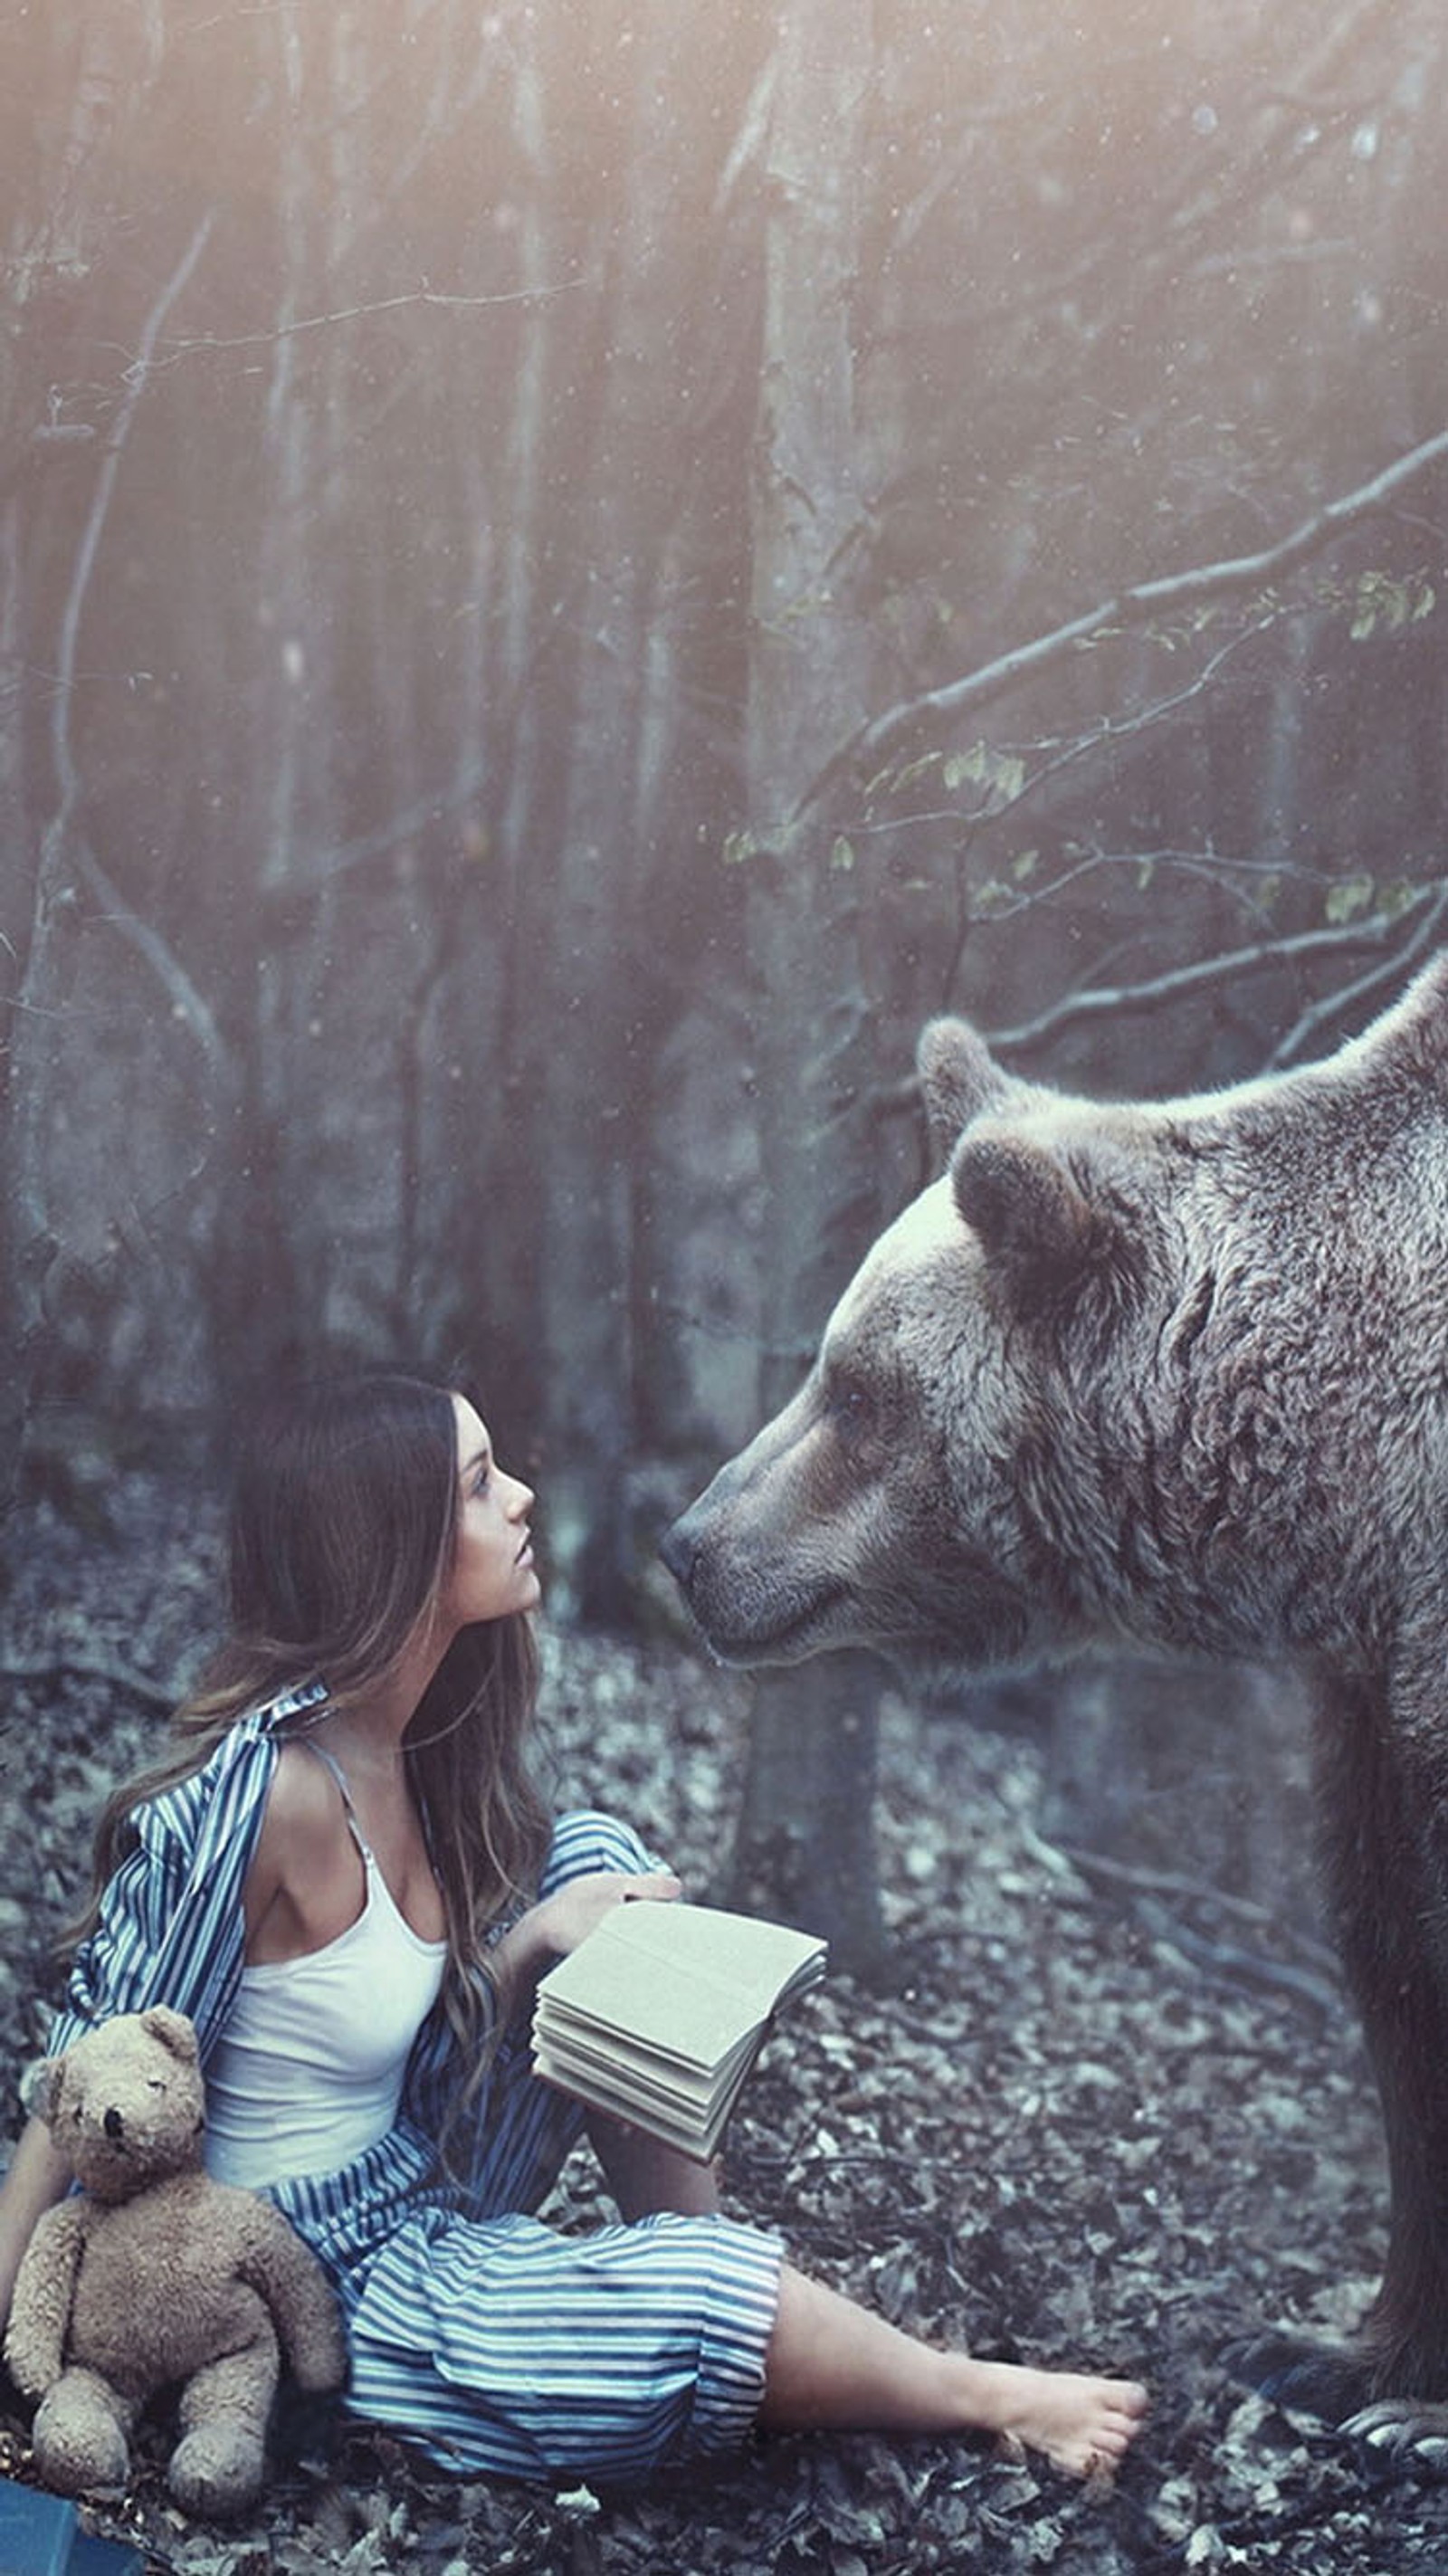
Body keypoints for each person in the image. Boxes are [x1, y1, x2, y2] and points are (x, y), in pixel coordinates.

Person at [0, 1371, 1147, 2487]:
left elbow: (400, 2034)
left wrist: (534, 1937)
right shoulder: (268, 1793)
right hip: (302, 2285)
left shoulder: (415, 1747)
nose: (521, 1499)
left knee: (593, 1862)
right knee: (696, 2305)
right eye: (478, 1481)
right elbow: (83, 2066)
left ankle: (689, 2269)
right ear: (387, 1545)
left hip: (414, 2166)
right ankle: (953, 2383)